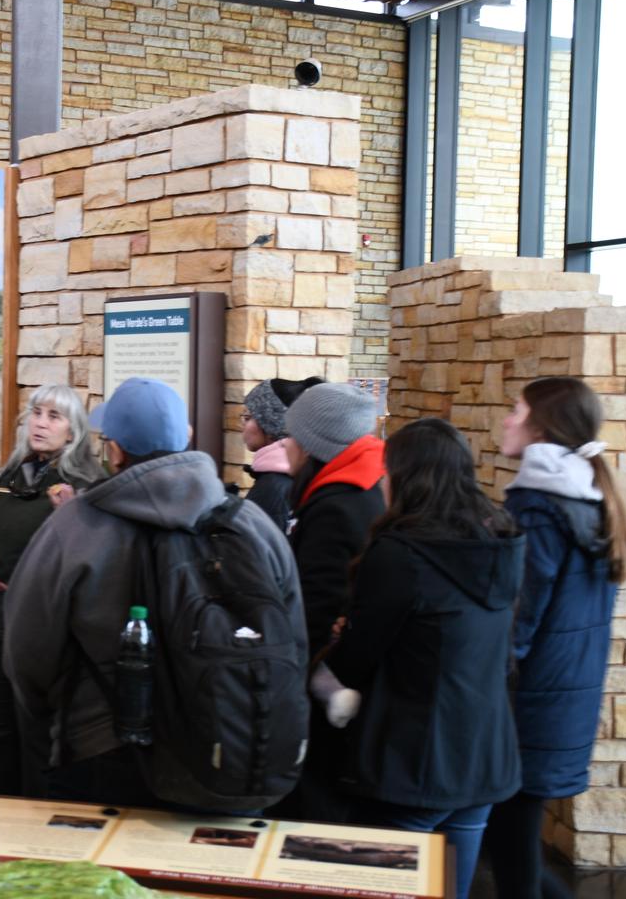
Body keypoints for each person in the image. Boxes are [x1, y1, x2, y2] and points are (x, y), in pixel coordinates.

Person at [4, 378, 303, 807]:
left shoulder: (73, 527)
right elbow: (292, 637)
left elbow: (26, 652)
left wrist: (50, 724)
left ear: (115, 451)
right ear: (188, 438)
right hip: (228, 750)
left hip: (100, 752)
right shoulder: (251, 524)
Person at [329, 418, 524, 899]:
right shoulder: (502, 539)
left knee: (385, 885)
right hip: (484, 751)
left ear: (408, 476)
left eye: (387, 469)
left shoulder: (400, 554)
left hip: (414, 757)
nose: (381, 481)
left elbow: (357, 660)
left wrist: (344, 637)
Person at [483, 377, 626, 899]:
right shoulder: (591, 499)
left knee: (511, 851)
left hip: (531, 698)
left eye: (516, 410)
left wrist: (484, 683)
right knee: (511, 842)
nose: (507, 419)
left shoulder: (539, 507)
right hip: (563, 695)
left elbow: (519, 618)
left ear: (542, 424)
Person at [0, 384, 102, 795]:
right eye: (37, 413)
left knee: (39, 734)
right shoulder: (6, 475)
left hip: (45, 627)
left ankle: (37, 827)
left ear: (73, 431)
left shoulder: (86, 484)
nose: (40, 423)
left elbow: (99, 557)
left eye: (54, 416)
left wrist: (73, 515)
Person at [276, 382, 385, 822]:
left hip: (328, 697)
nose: (286, 444)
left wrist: (292, 678)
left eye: (293, 436)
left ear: (314, 445)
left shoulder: (336, 507)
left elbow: (316, 607)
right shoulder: (358, 487)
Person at [240, 376, 324, 533]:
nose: (242, 425)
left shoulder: (274, 487)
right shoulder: (293, 474)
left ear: (271, 426)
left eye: (248, 417)